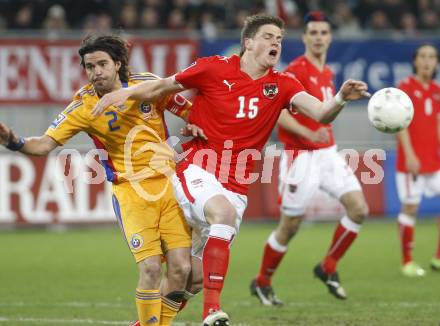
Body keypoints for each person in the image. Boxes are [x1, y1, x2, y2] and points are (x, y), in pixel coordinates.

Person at [92, 14, 369, 326]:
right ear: (248, 42)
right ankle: (212, 312)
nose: (275, 42)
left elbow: (320, 113)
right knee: (221, 215)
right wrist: (123, 94)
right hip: (198, 168)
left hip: (237, 185)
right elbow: (164, 87)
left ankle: (148, 324)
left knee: (191, 279)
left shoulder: (283, 84)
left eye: (278, 38)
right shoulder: (213, 67)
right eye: (268, 36)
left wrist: (341, 98)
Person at [0, 34, 203, 326]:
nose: (96, 72)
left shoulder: (147, 84)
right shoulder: (83, 107)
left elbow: (189, 110)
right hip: (131, 194)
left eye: (102, 64)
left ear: (118, 64)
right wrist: (13, 142)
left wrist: (195, 125)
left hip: (170, 187)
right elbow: (43, 145)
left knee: (182, 270)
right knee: (150, 270)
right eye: (89, 66)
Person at [249, 11, 369, 305]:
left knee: (359, 209)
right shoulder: (295, 71)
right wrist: (307, 131)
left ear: (329, 37)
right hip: (300, 158)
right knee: (290, 226)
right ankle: (262, 282)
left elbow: (326, 112)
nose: (318, 37)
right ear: (304, 38)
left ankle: (328, 266)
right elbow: (277, 113)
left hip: (328, 154)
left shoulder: (326, 73)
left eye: (323, 33)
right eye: (313, 32)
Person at [395, 43, 440, 277]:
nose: (427, 61)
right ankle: (407, 261)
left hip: (434, 162)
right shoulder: (405, 88)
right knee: (410, 208)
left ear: (436, 62)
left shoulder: (436, 89)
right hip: (411, 163)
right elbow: (399, 125)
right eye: (422, 56)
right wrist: (410, 154)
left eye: (431, 57)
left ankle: (438, 257)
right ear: (415, 61)